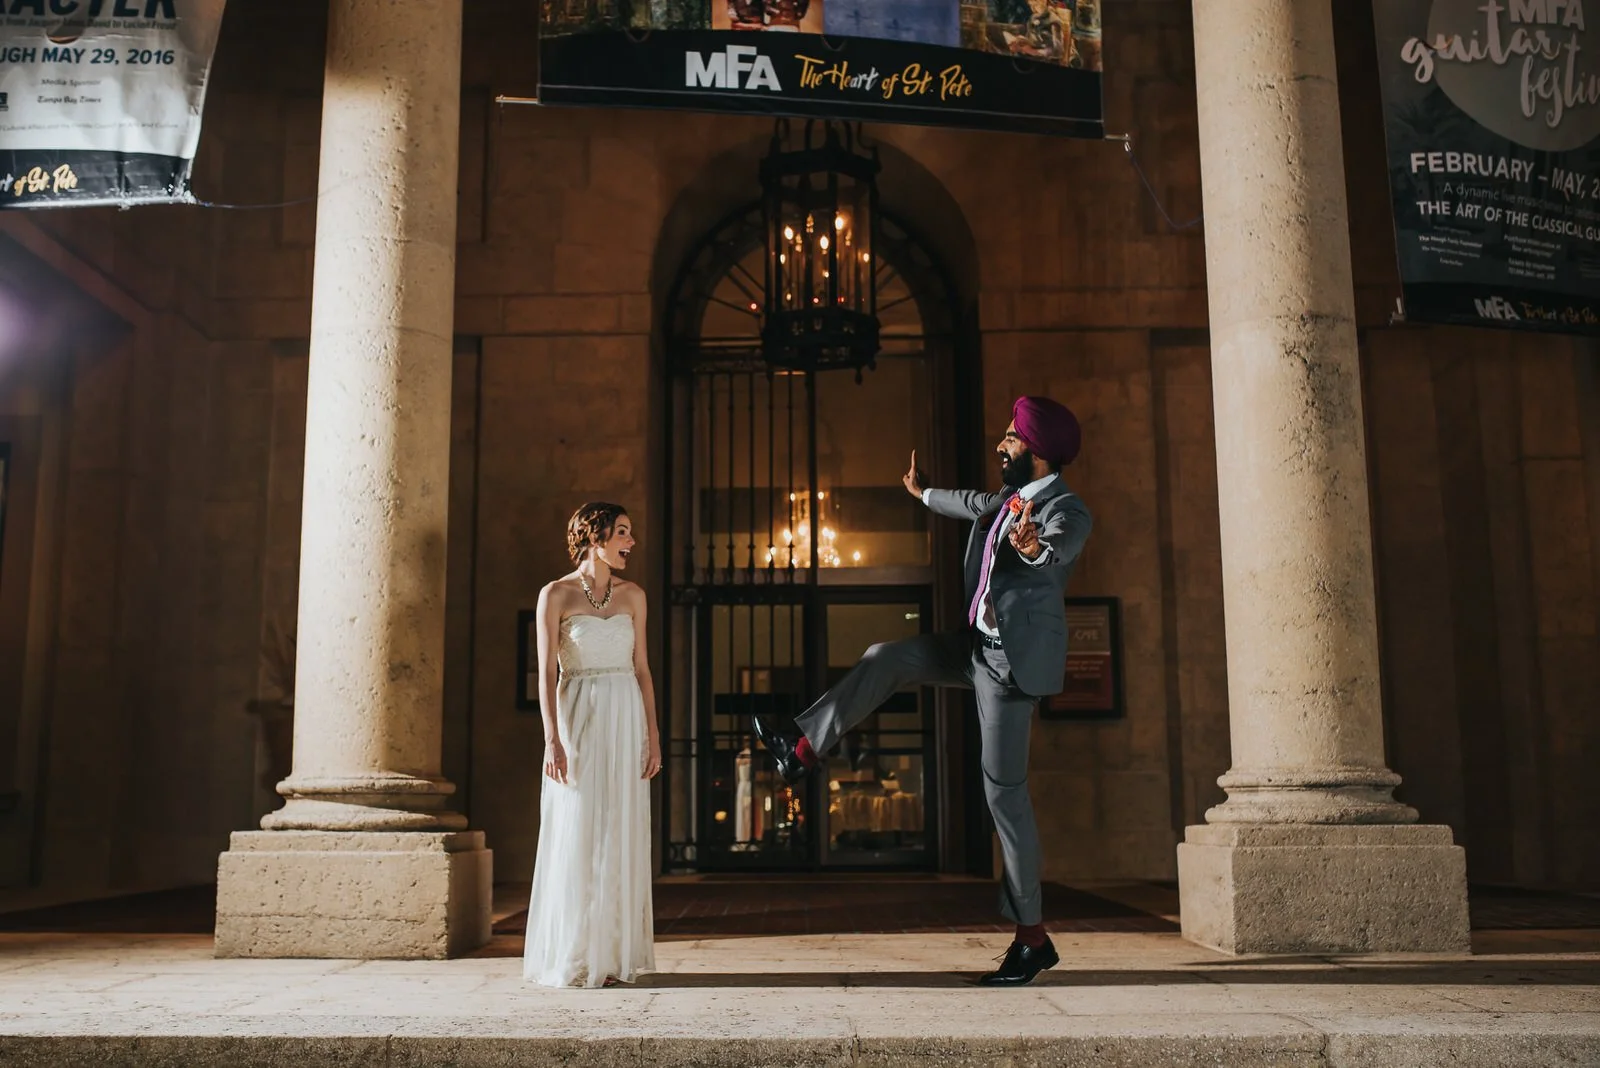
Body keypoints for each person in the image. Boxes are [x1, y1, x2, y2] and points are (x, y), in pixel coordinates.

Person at [753, 396, 1091, 986]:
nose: (1000, 444)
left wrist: (1035, 547)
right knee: (887, 657)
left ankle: (1032, 939)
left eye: (1011, 438)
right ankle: (801, 747)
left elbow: (1055, 550)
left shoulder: (1066, 508)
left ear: (1036, 450)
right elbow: (964, 503)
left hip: (1010, 668)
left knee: (1004, 797)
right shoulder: (1003, 503)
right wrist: (921, 494)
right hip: (973, 649)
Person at [523, 502, 661, 989]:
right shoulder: (554, 594)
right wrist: (551, 738)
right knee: (579, 825)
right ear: (595, 535)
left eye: (631, 531)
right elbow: (544, 674)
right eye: (623, 532)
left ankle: (615, 953)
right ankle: (577, 953)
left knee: (619, 826)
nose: (631, 541)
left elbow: (642, 669)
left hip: (625, 714)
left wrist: (653, 734)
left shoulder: (634, 596)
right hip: (577, 713)